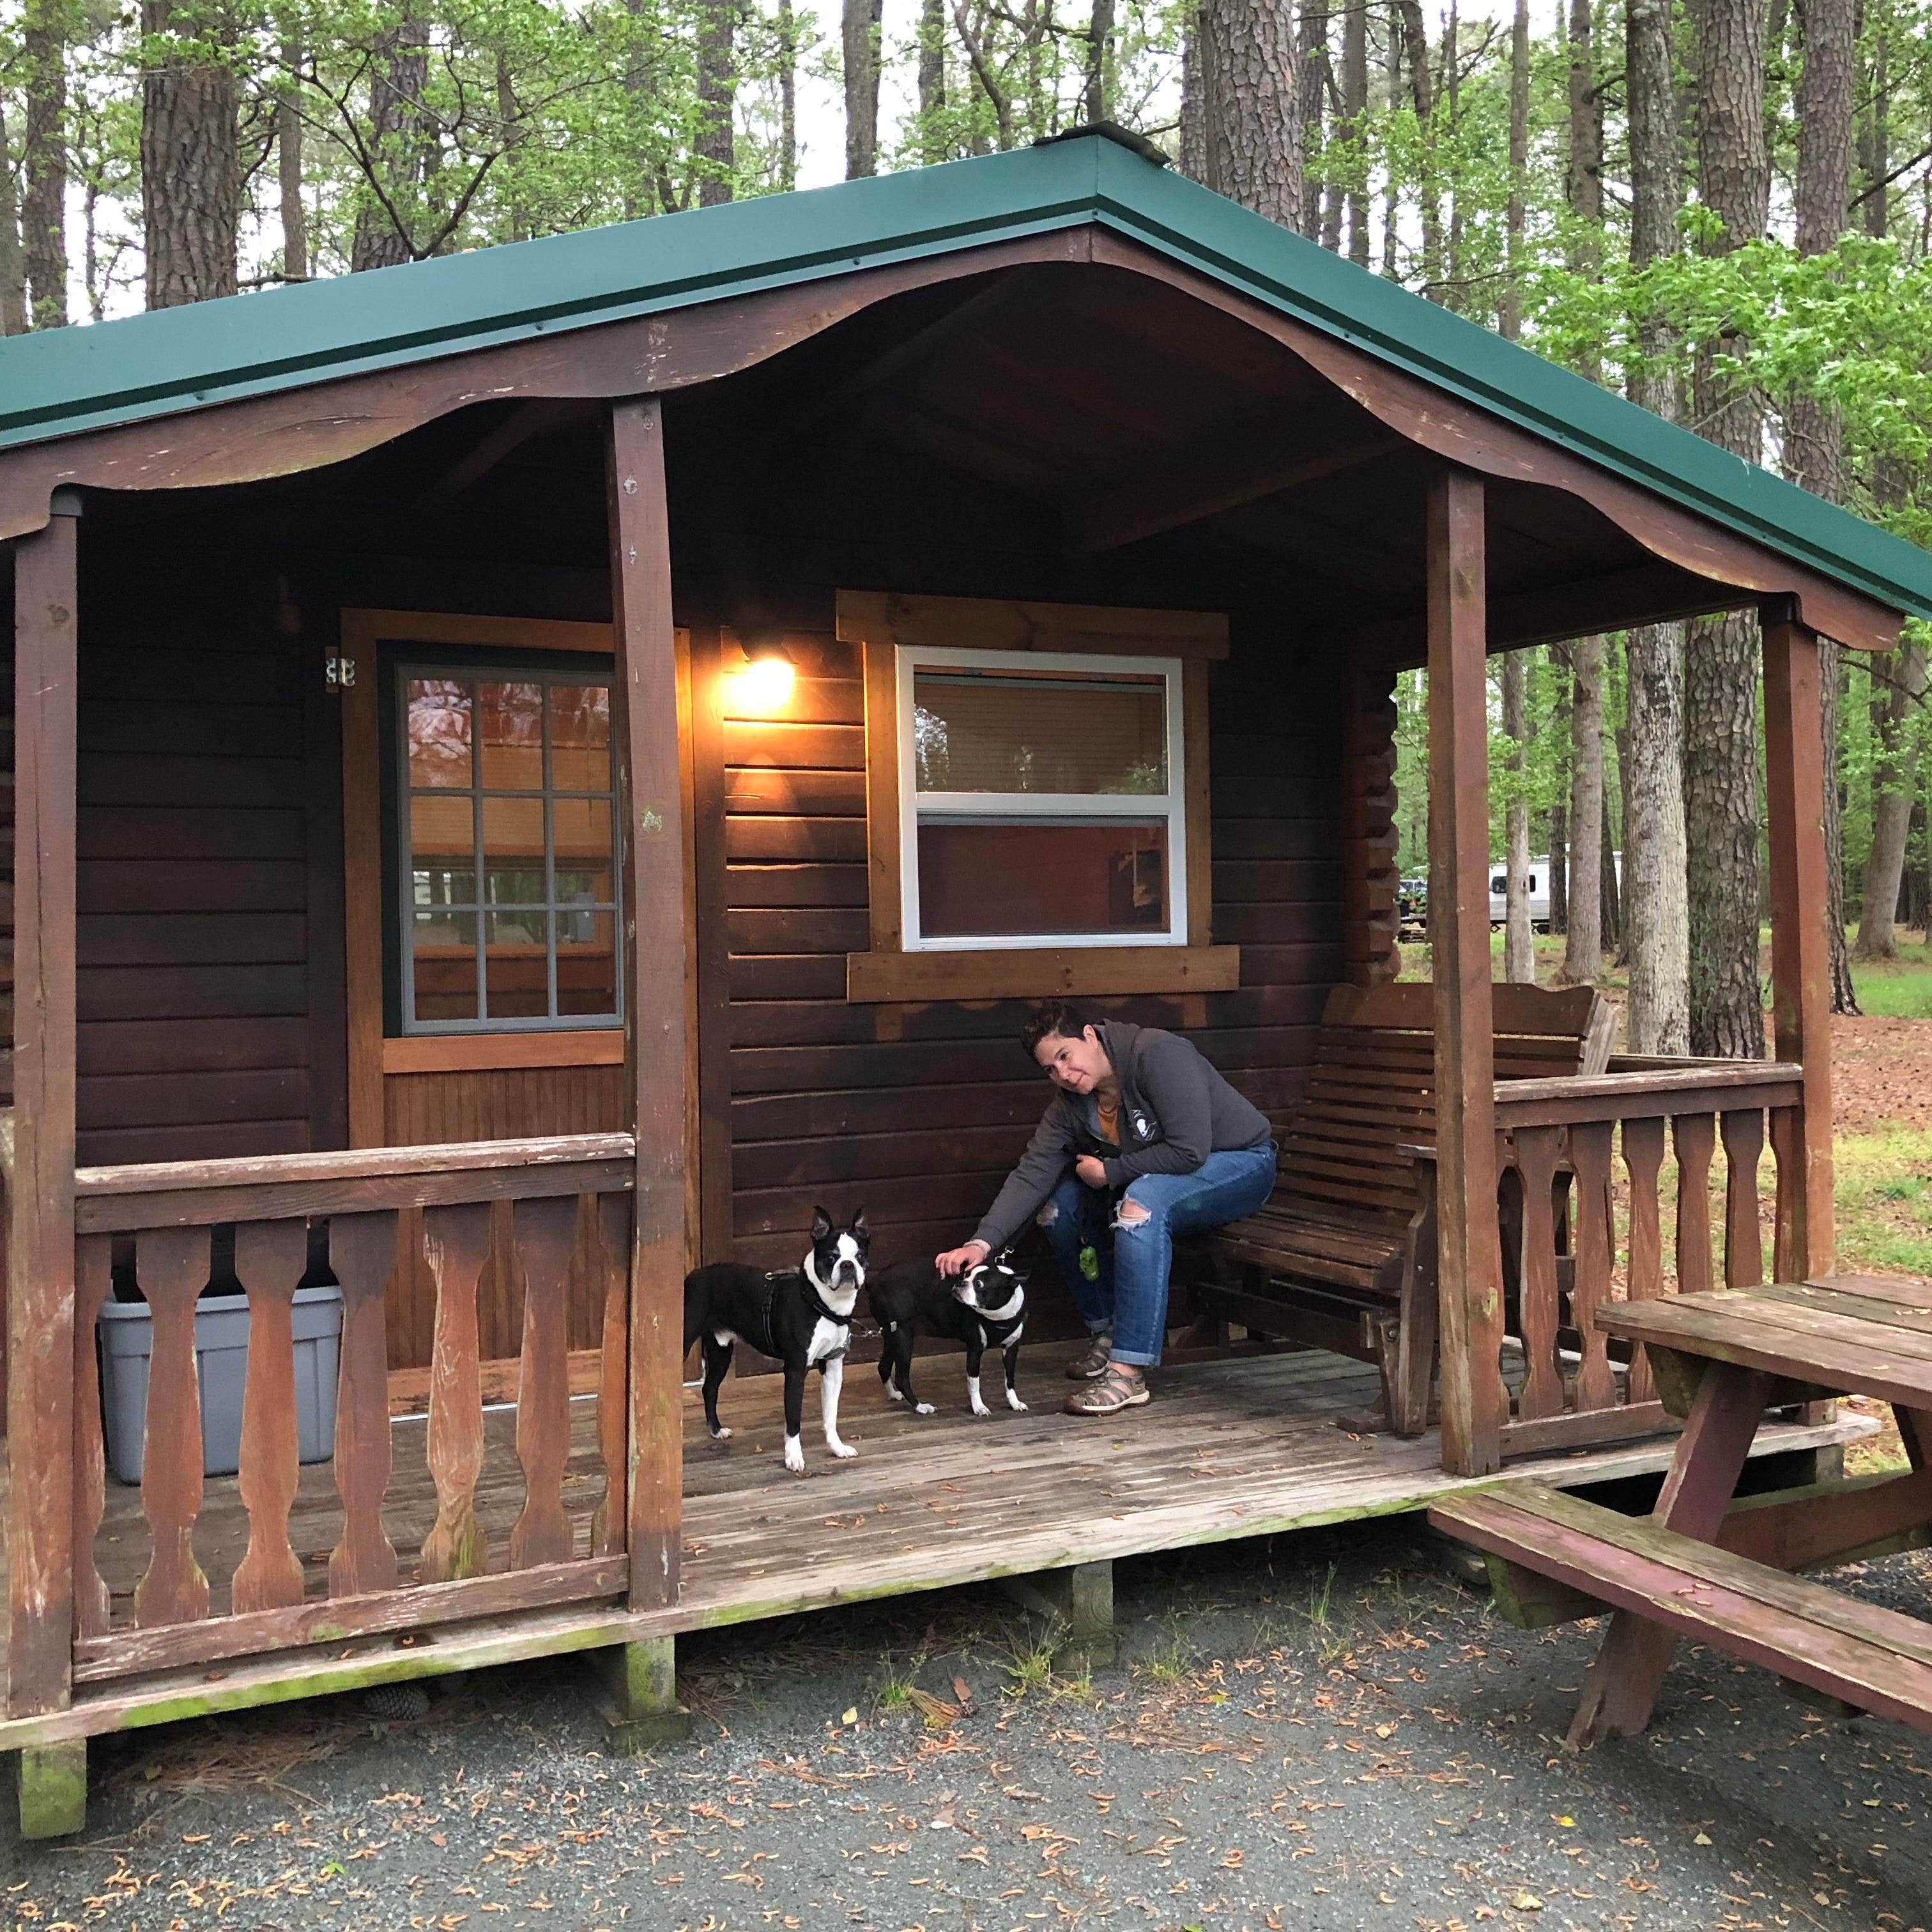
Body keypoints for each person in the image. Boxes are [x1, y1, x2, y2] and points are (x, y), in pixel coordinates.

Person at [936, 999, 1278, 1416]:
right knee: (1057, 1207)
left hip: (1241, 1165)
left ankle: (1128, 1371)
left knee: (1139, 1205)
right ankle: (1107, 1330)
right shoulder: (1071, 1103)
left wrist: (1112, 1171)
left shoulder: (1157, 1055)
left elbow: (1190, 1151)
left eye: (1065, 1056)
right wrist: (981, 1243)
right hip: (1165, 1180)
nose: (1063, 1074)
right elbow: (1033, 1173)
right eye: (1050, 1069)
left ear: (1090, 1036)